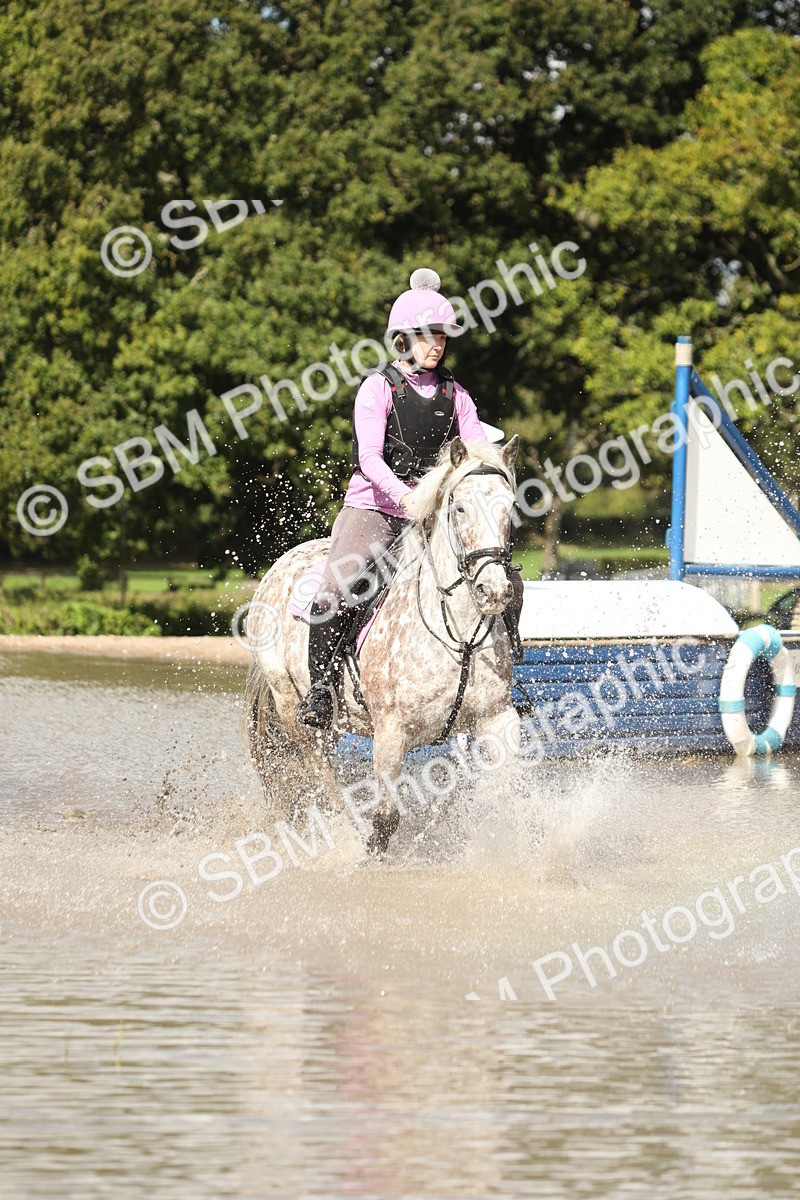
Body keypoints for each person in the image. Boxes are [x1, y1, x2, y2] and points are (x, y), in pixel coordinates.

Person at [296, 267, 523, 729]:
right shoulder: (377, 388)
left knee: (505, 581)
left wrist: (491, 474)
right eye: (426, 335)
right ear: (403, 339)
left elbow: (476, 451)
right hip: (375, 509)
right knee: (335, 592)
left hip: (437, 517)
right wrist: (411, 499)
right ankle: (320, 692)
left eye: (441, 335)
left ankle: (505, 685)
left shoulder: (456, 394)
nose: (437, 343)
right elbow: (370, 460)